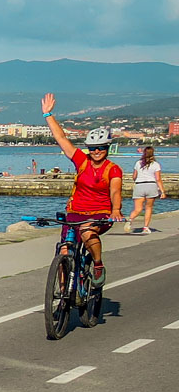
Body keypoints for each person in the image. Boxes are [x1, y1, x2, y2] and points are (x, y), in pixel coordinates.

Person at [41, 94, 124, 280]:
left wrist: (116, 210)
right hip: (75, 212)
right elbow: (62, 139)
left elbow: (115, 190)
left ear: (107, 148)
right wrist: (48, 115)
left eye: (101, 147)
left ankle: (98, 265)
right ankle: (62, 298)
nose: (96, 151)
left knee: (87, 231)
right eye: (93, 148)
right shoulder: (82, 161)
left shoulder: (113, 169)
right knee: (64, 250)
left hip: (100, 213)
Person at [129, 145, 162, 233]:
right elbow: (158, 179)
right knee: (148, 208)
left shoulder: (138, 163)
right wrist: (162, 191)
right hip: (151, 185)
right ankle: (146, 227)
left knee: (137, 209)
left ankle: (130, 220)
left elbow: (134, 176)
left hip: (139, 185)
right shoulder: (156, 164)